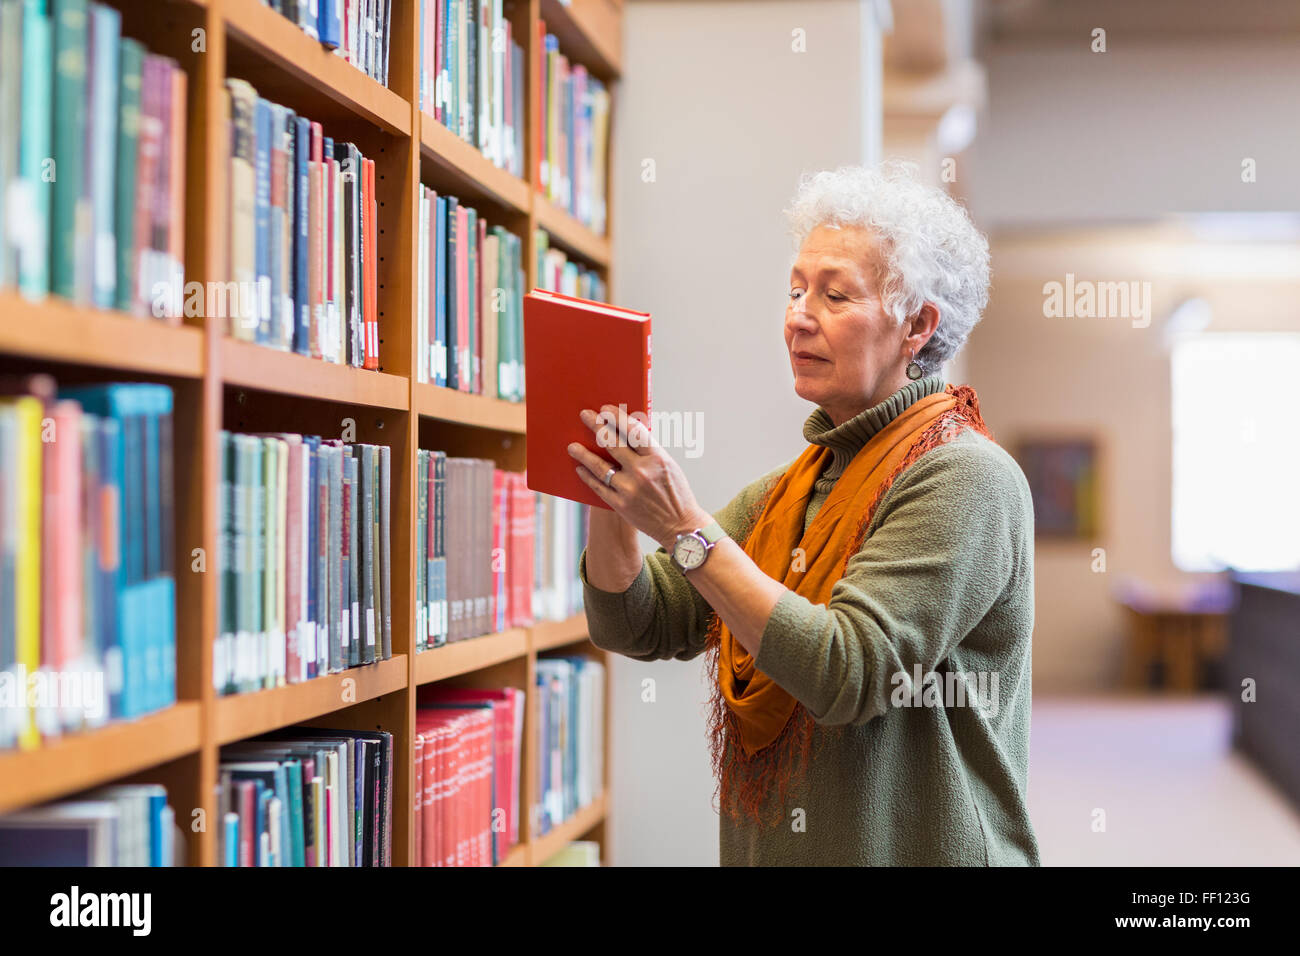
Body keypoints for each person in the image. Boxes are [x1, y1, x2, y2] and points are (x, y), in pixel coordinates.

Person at [568, 160, 1039, 866]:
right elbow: (635, 622)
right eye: (794, 290)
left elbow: (847, 672)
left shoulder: (967, 477)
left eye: (834, 295)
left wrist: (684, 528)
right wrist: (612, 493)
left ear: (918, 324)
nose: (797, 316)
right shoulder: (787, 491)